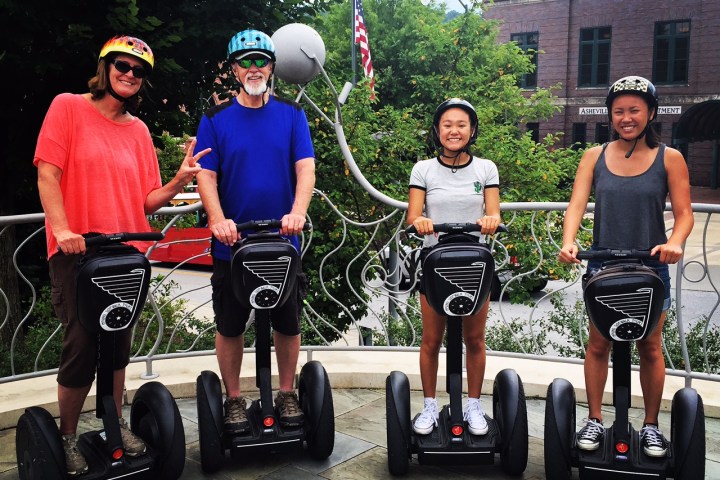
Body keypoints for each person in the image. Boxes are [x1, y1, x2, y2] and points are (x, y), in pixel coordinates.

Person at [34, 35, 206, 476]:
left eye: (138, 70)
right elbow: (48, 174)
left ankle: (114, 426)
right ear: (105, 66)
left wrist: (177, 180)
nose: (129, 74)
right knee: (81, 345)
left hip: (124, 256)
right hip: (78, 252)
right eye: (122, 66)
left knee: (118, 345)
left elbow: (147, 200)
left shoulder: (139, 131)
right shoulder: (68, 107)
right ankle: (69, 437)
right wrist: (64, 229)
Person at [558, 75, 693, 458]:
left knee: (650, 345)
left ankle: (650, 426)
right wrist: (570, 241)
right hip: (604, 265)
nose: (626, 117)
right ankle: (596, 420)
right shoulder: (594, 156)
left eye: (634, 110)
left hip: (651, 267)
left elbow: (684, 215)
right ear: (610, 115)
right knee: (599, 343)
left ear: (650, 112)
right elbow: (576, 206)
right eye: (619, 111)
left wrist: (675, 242)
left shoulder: (671, 158)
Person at [194, 29, 316, 435]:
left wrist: (297, 212)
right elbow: (206, 176)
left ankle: (286, 392)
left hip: (283, 244)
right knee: (230, 325)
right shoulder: (215, 119)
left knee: (287, 323)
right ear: (233, 69)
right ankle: (232, 399)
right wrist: (217, 220)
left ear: (272, 66)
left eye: (261, 60)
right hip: (234, 244)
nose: (254, 68)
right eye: (245, 61)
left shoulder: (292, 115)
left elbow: (305, 168)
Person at [407, 98, 501, 435]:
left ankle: (474, 404)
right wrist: (421, 223)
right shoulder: (423, 169)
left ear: (472, 130)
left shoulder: (486, 168)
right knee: (432, 339)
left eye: (461, 124)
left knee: (475, 339)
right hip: (435, 263)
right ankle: (430, 405)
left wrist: (491, 221)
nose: (454, 130)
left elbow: (494, 212)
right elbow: (413, 215)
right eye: (447, 124)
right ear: (438, 130)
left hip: (474, 264)